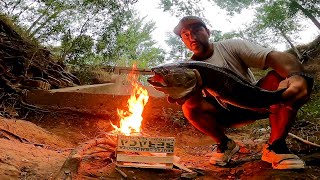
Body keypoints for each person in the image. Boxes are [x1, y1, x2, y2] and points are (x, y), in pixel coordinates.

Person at [171, 16, 314, 169]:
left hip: (257, 99)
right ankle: (225, 144)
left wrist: (297, 76)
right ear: (183, 41)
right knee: (188, 107)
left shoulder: (232, 46)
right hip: (227, 111)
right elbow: (195, 105)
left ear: (208, 31)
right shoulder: (187, 69)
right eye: (185, 35)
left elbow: (274, 57)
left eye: (197, 30)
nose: (192, 37)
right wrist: (186, 94)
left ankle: (276, 146)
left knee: (278, 77)